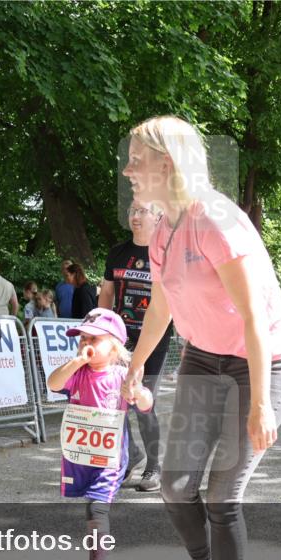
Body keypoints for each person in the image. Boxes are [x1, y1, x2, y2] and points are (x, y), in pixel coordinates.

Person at [119, 116, 281, 560]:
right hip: (203, 356)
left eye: (136, 160)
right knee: (176, 485)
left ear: (166, 163)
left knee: (223, 493)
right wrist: (136, 365)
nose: (128, 171)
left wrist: (261, 403)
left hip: (262, 361)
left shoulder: (218, 221)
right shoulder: (163, 229)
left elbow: (254, 317)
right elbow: (162, 306)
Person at [46, 308, 153, 560]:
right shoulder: (76, 373)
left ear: (114, 346)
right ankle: (98, 559)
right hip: (80, 456)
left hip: (110, 459)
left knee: (97, 508)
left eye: (94, 339)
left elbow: (146, 404)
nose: (86, 343)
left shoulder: (121, 376)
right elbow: (53, 384)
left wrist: (140, 393)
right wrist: (77, 361)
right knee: (90, 507)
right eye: (82, 338)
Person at [99, 199, 171, 492]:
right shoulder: (118, 252)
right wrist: (101, 329)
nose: (135, 216)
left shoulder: (166, 254)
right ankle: (132, 455)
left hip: (154, 338)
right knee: (114, 401)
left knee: (143, 401)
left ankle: (154, 466)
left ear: (158, 217)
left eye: (142, 211)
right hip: (121, 338)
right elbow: (106, 293)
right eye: (132, 211)